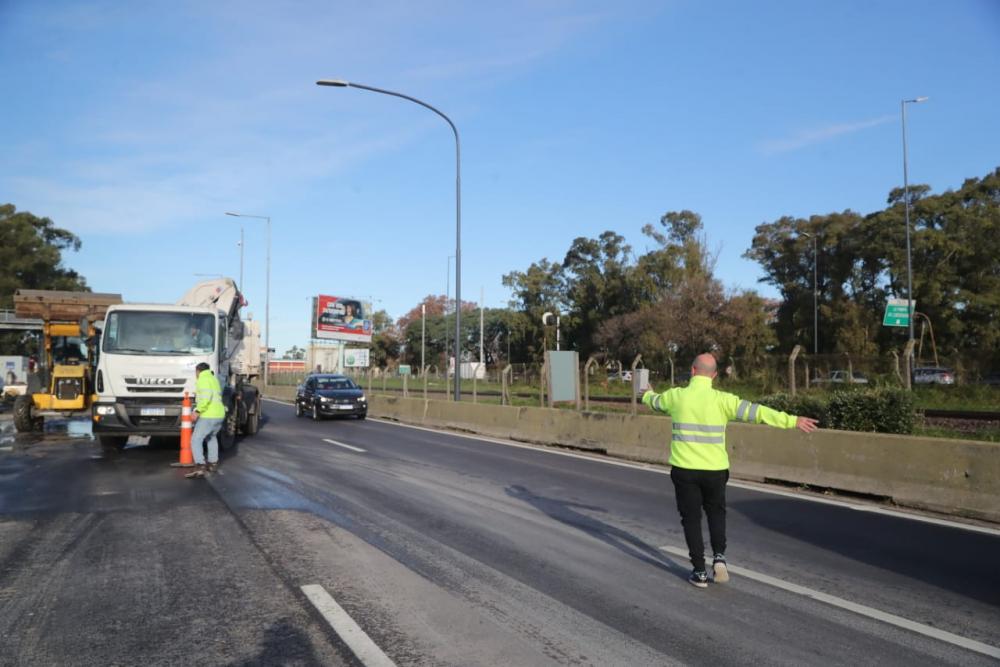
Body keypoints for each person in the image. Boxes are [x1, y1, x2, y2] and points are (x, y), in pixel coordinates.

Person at [642, 353, 818, 588]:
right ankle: (720, 559)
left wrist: (646, 393)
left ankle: (699, 571)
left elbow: (654, 401)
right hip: (715, 470)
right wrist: (792, 420)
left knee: (691, 519)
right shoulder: (724, 400)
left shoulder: (676, 397)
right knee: (716, 513)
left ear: (692, 371)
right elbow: (757, 412)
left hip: (685, 470)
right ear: (714, 375)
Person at [185, 362, 226, 479]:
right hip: (219, 414)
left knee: (195, 439)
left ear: (198, 371)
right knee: (211, 437)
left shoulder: (203, 379)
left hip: (209, 414)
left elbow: (205, 398)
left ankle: (200, 466)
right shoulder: (214, 379)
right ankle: (213, 464)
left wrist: (197, 411)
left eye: (195, 372)